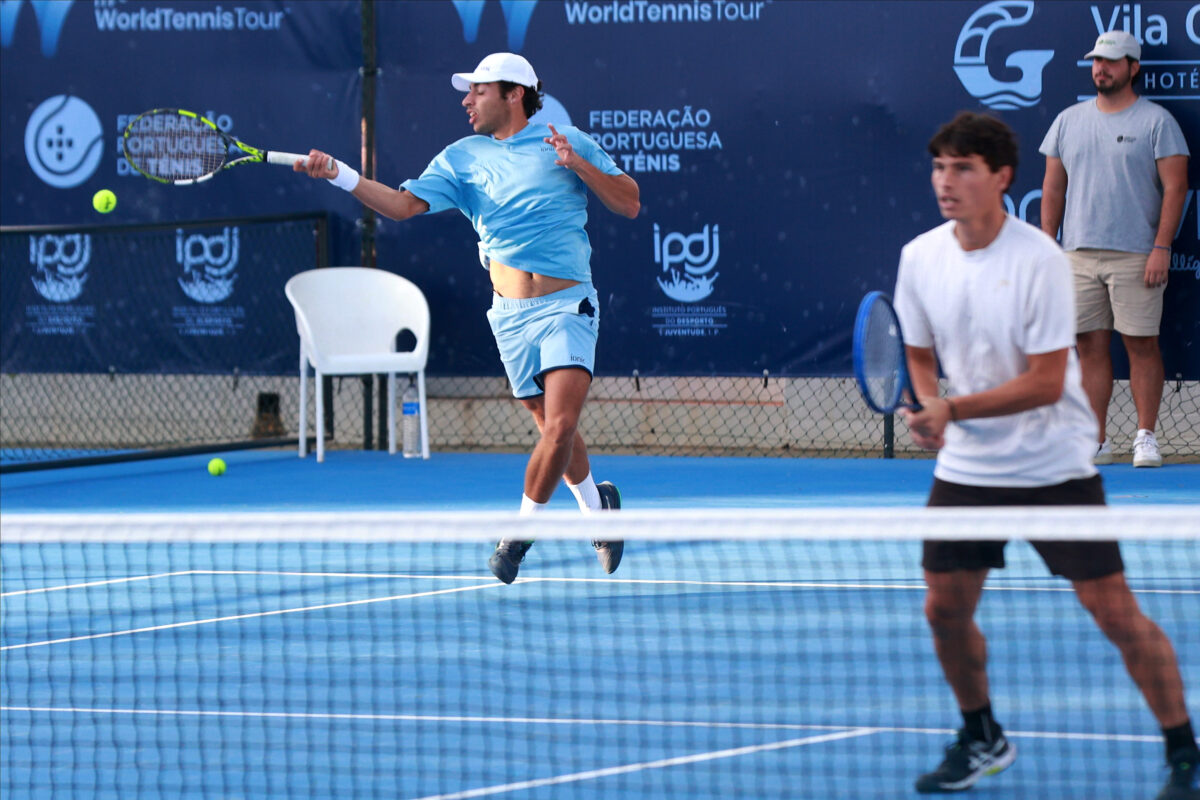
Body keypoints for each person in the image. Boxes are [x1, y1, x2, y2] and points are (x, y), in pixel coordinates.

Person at [895, 111, 1198, 798]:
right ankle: (982, 736)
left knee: (1115, 615)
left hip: (1051, 465)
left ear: (1001, 177)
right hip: (967, 468)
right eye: (939, 167)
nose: (946, 181)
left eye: (963, 168)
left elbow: (1039, 381)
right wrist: (926, 406)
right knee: (942, 610)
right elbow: (917, 352)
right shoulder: (920, 257)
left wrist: (952, 409)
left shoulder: (1038, 260)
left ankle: (1184, 750)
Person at [295, 52, 640, 584]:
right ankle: (599, 509)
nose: (466, 100)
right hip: (509, 317)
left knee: (562, 425)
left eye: (478, 90)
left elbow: (630, 203)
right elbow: (402, 205)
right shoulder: (462, 157)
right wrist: (339, 174)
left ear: (514, 94)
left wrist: (580, 165)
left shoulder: (565, 140)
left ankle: (518, 536)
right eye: (468, 91)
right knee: (554, 431)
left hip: (568, 305)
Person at [1040, 30, 1189, 468]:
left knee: (1142, 345)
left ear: (1133, 67)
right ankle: (1096, 440)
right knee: (1088, 347)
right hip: (1078, 255)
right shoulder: (1067, 121)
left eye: (1111, 61)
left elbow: (1176, 188)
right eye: (1096, 61)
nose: (1100, 68)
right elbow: (1052, 189)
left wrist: (1162, 246)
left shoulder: (1157, 121)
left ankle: (1146, 437)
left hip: (1138, 255)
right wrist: (1049, 245)